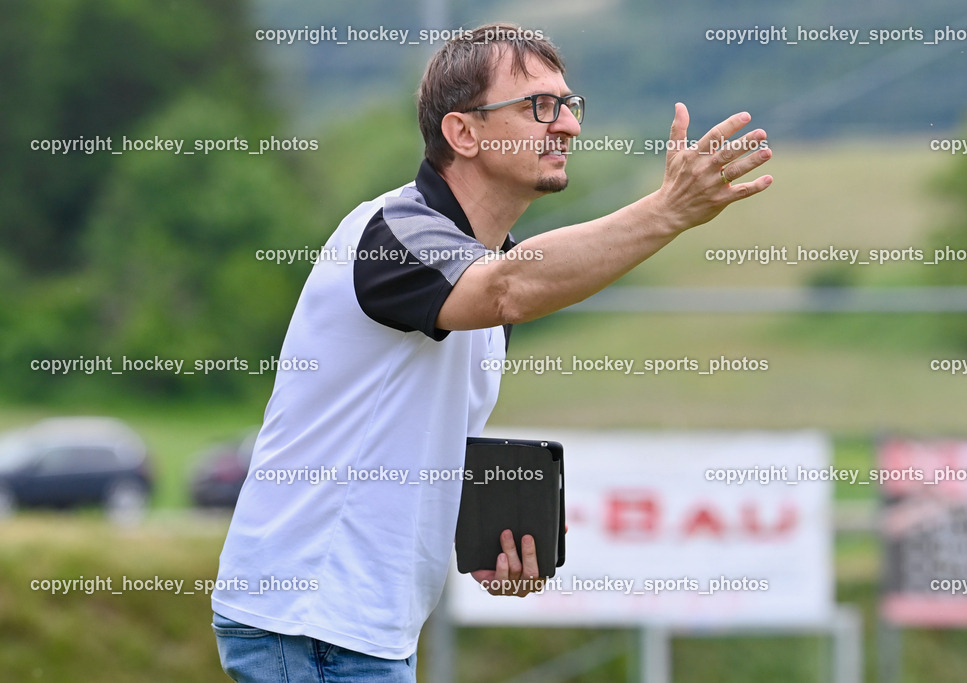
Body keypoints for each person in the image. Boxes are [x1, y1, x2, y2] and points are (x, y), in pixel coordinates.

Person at [211, 20, 772, 683]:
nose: (567, 125)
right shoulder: (396, 231)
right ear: (464, 132)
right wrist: (667, 211)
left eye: (569, 105)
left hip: (360, 629)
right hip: (308, 624)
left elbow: (412, 435)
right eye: (539, 106)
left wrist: (482, 540)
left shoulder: (487, 266)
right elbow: (510, 290)